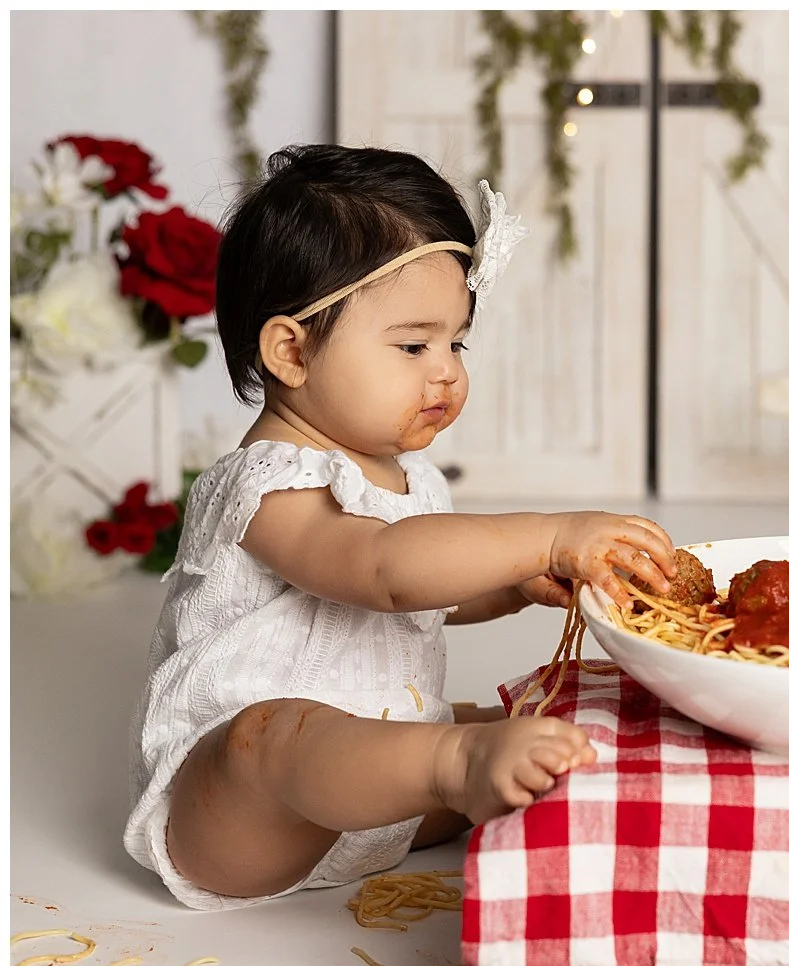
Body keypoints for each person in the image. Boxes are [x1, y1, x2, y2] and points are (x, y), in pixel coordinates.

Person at [126, 144, 675, 909]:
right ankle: (456, 759)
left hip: (382, 793)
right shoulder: (268, 480)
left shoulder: (412, 478)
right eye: (414, 344)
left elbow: (426, 591)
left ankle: (497, 764)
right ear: (291, 351)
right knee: (279, 735)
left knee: (541, 719)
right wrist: (548, 535)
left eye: (457, 341)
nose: (446, 370)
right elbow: (380, 570)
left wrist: (510, 584)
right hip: (238, 812)